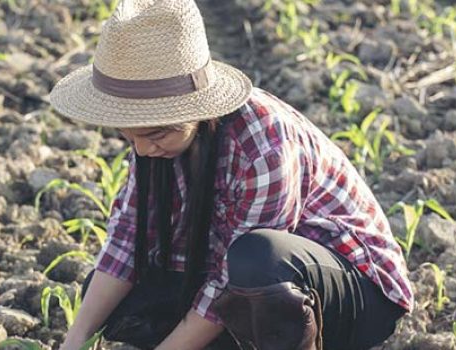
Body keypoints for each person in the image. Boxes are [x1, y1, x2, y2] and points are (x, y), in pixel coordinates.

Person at [48, 0, 414, 349]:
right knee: (111, 299)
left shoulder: (263, 145)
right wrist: (74, 340)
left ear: (197, 110)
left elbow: (230, 281)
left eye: (156, 135)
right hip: (245, 288)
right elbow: (126, 241)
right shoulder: (155, 141)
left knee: (257, 258)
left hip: (349, 296)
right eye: (130, 136)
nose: (142, 150)